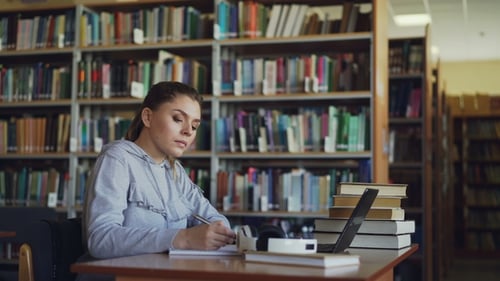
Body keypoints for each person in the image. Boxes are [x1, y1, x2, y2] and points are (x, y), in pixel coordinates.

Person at [82, 81, 236, 259]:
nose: (188, 131)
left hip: (166, 271)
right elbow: (100, 240)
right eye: (178, 119)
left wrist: (219, 232)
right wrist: (183, 238)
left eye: (194, 126)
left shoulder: (174, 170)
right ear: (147, 117)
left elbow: (214, 219)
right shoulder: (117, 159)